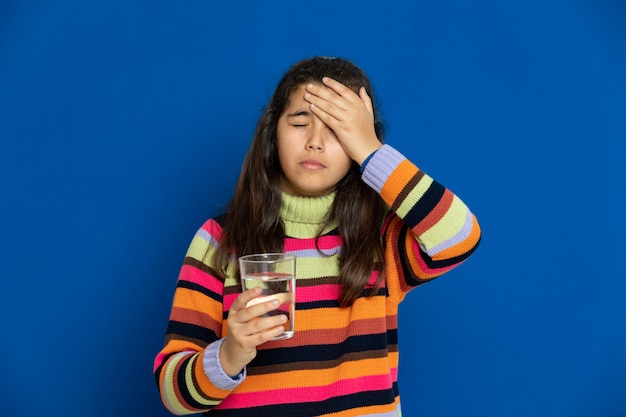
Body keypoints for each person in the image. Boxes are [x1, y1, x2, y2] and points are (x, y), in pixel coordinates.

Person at [153, 56, 481, 416]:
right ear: (272, 132)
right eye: (299, 123)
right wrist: (230, 354)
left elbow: (460, 235)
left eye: (338, 130)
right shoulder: (219, 241)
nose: (315, 142)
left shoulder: (381, 239)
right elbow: (174, 396)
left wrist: (372, 152)